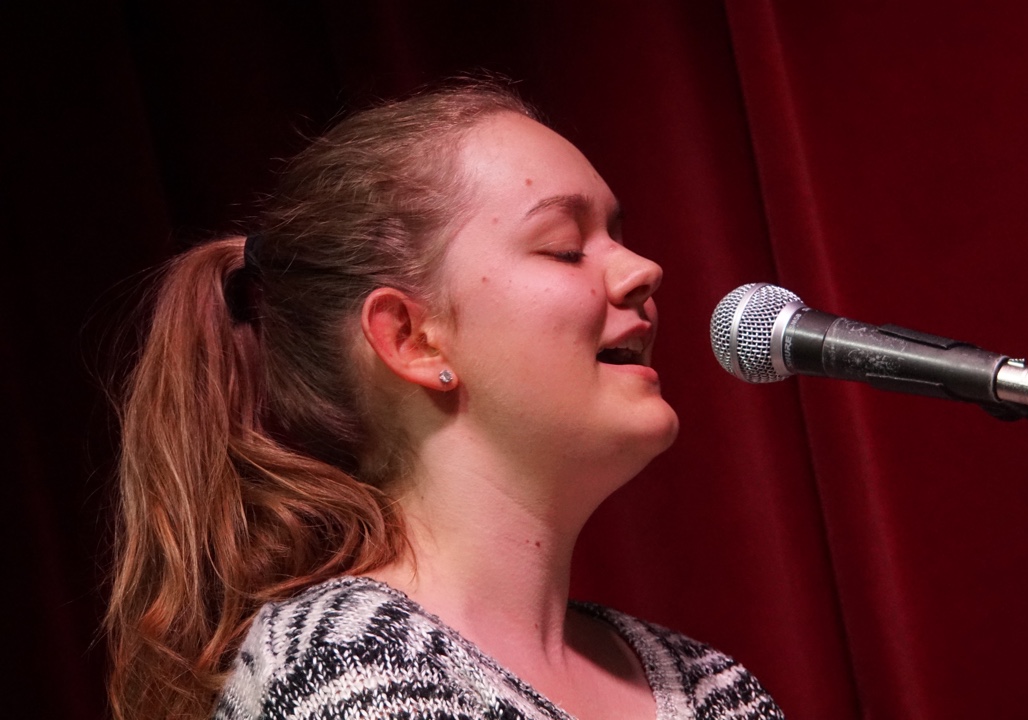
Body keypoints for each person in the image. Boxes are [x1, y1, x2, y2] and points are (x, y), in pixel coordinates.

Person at [107, 82, 784, 720]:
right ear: (412, 338)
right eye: (564, 248)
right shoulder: (349, 664)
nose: (643, 270)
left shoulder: (710, 686)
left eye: (617, 235)